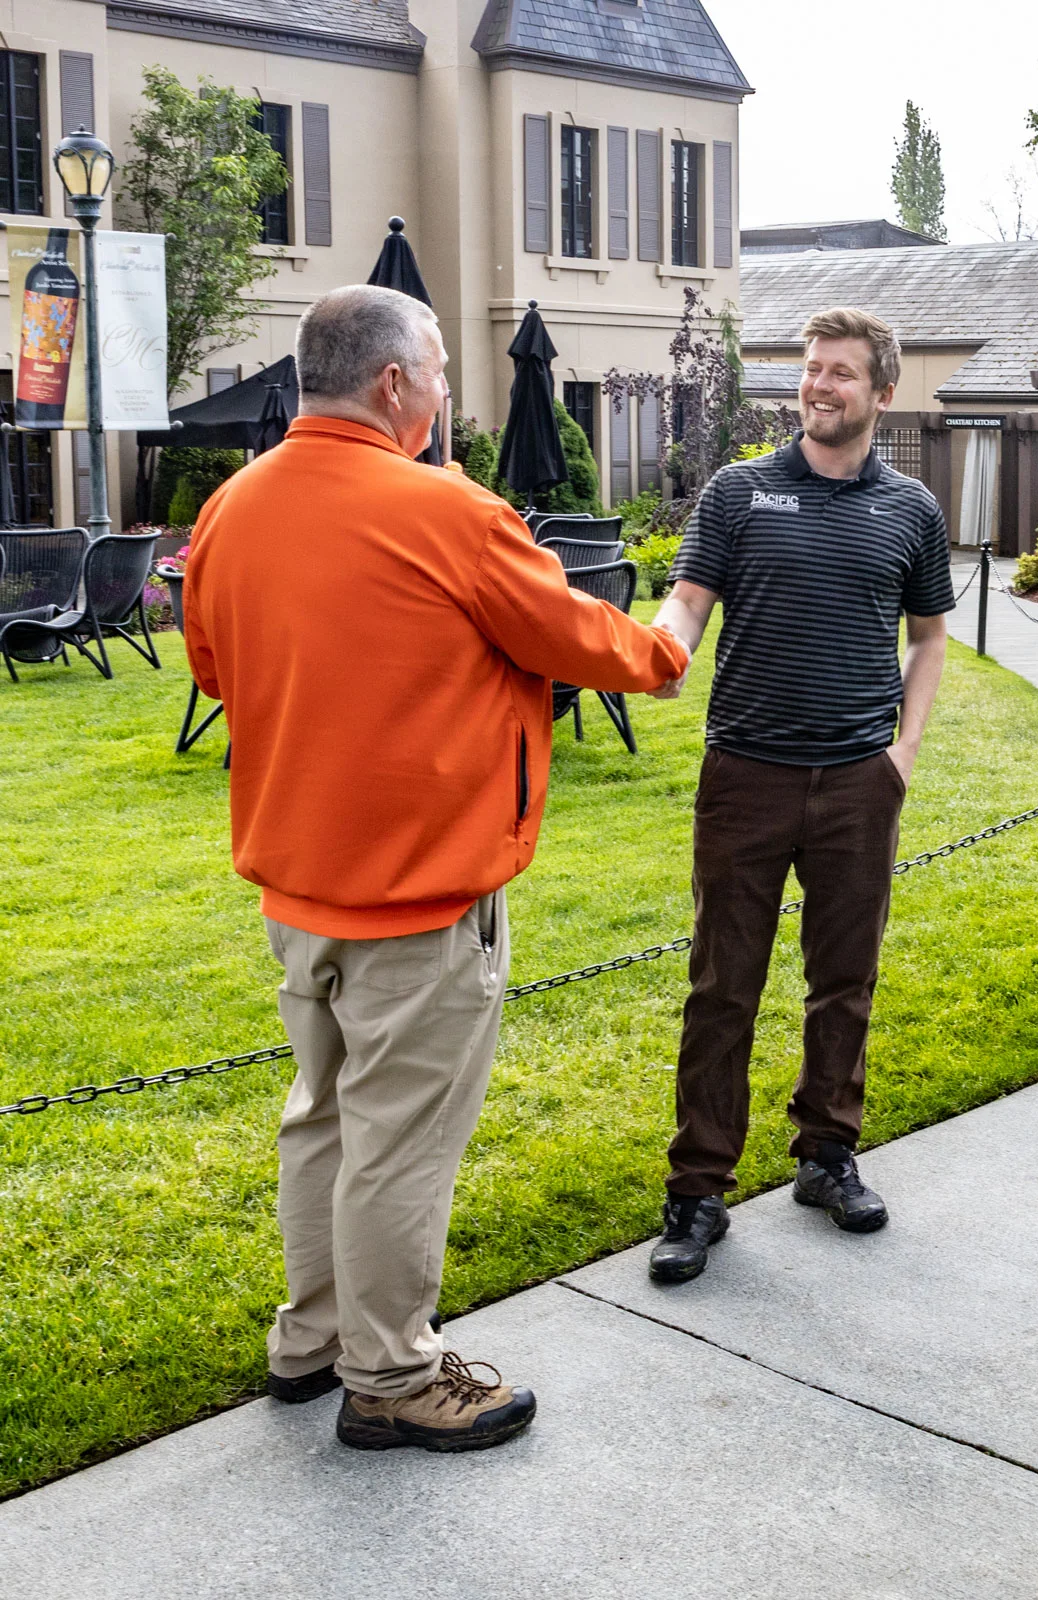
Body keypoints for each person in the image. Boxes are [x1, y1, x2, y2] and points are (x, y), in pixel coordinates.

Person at [183, 284, 690, 1451]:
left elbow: (215, 673)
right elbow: (572, 633)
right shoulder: (446, 512)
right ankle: (392, 1373)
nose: (452, 395)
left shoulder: (230, 508)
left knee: (322, 1121)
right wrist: (664, 651)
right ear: (396, 386)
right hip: (420, 899)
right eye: (443, 377)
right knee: (398, 1141)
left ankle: (310, 1339)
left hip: (296, 890)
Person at [646, 306, 954, 1284]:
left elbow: (931, 637)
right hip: (745, 775)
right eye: (812, 370)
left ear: (881, 392)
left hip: (858, 782)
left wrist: (902, 750)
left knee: (843, 981)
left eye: (840, 374)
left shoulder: (912, 509)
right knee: (721, 985)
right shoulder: (740, 493)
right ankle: (698, 1190)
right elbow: (687, 597)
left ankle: (827, 1154)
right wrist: (664, 650)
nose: (819, 386)